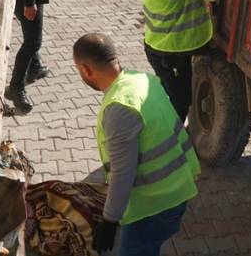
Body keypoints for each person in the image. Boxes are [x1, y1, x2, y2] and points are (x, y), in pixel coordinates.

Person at [73, 33, 200, 256]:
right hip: (178, 188)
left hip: (154, 206)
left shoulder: (118, 109)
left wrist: (109, 221)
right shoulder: (142, 79)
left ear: (85, 69)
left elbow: (124, 172)